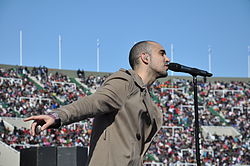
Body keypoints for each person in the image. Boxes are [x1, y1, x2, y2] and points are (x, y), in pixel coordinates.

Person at [24, 40, 170, 166]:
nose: (167, 59)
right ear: (145, 57)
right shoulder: (126, 82)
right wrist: (58, 116)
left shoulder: (149, 102)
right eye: (162, 53)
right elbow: (95, 101)